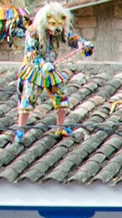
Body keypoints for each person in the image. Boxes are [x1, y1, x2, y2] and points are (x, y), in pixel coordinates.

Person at [13, 3, 94, 139]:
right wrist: (43, 64)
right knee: (28, 99)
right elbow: (31, 53)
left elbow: (71, 38)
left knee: (61, 96)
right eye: (52, 24)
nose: (56, 28)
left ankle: (60, 127)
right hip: (34, 70)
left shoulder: (59, 30)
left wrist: (83, 44)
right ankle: (20, 130)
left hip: (50, 69)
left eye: (59, 24)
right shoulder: (33, 32)